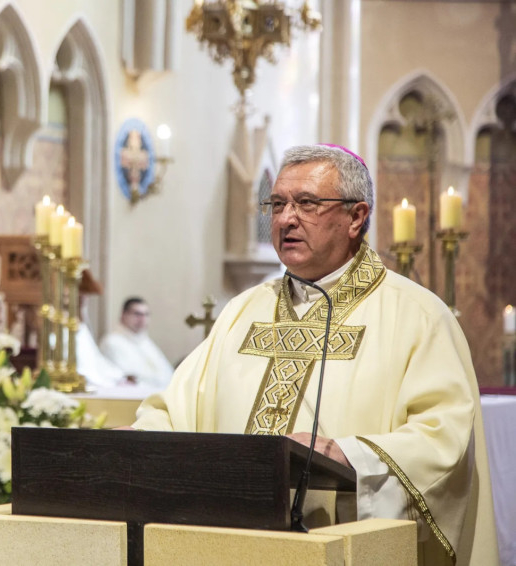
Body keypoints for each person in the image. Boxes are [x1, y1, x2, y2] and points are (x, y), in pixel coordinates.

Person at [131, 144, 498, 566]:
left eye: (306, 203)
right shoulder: (243, 311)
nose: (286, 219)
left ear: (356, 217)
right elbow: (176, 410)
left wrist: (348, 453)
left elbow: (443, 439)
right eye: (277, 204)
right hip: (228, 545)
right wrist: (138, 445)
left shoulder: (417, 315)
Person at [100, 297, 174, 389]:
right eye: (137, 314)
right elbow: (125, 379)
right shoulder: (112, 342)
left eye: (146, 314)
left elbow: (166, 372)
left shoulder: (145, 342)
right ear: (123, 315)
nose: (142, 319)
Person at [75, 269, 127, 390]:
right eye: (80, 294)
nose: (84, 298)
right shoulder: (61, 327)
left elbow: (95, 360)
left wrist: (119, 376)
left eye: (85, 295)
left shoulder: (82, 327)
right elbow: (83, 367)